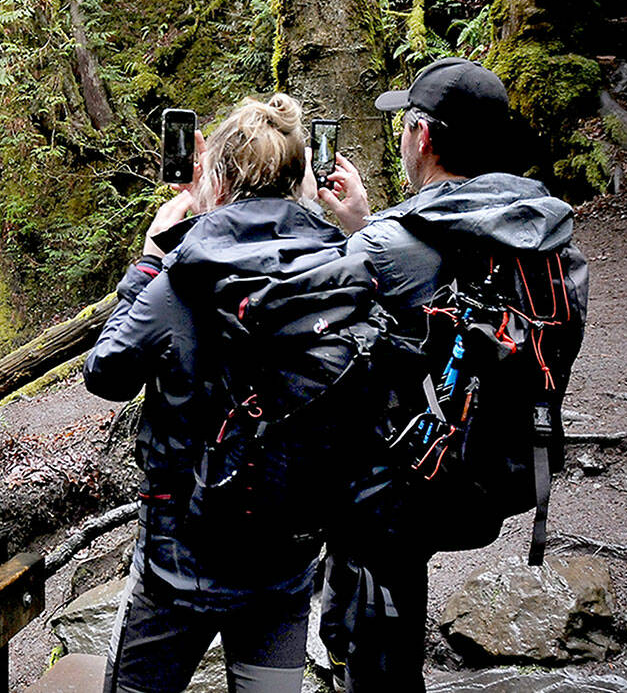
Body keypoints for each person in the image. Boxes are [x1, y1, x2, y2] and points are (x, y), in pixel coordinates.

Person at [84, 94, 382, 693]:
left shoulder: (181, 281)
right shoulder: (348, 273)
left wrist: (149, 260)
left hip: (178, 565)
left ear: (215, 181)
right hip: (284, 563)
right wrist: (362, 229)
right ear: (302, 180)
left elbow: (106, 373)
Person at [316, 57, 590, 692]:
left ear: (423, 135)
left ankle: (361, 669)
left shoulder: (386, 244)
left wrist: (348, 231)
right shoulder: (545, 231)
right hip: (509, 467)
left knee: (378, 593)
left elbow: (317, 329)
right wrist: (365, 223)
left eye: (405, 126)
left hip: (412, 484)